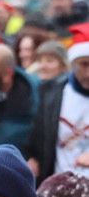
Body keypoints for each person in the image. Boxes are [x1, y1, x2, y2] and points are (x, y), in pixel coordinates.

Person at [31, 38, 89, 181]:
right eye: (84, 64)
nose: (88, 73)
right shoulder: (51, 94)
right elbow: (38, 136)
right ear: (72, 64)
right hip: (57, 187)